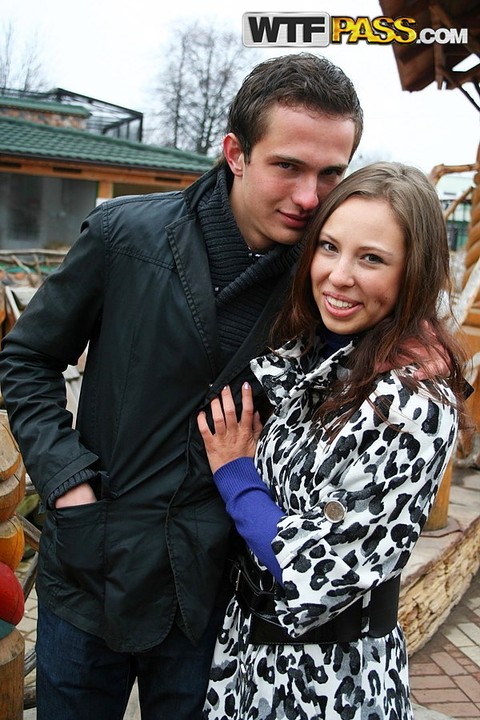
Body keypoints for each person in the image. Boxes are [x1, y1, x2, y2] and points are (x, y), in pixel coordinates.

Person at [0, 54, 363, 719]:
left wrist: (419, 335)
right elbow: (25, 359)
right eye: (288, 166)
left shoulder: (326, 281)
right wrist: (68, 487)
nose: (311, 197)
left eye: (331, 173)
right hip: (91, 566)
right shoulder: (123, 234)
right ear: (236, 152)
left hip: (214, 592)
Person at [197, 161, 469, 720]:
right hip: (250, 653)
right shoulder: (321, 357)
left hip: (325, 680)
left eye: (370, 258)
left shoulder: (409, 404)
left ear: (411, 274)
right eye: (328, 247)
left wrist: (236, 475)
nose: (338, 275)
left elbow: (319, 566)